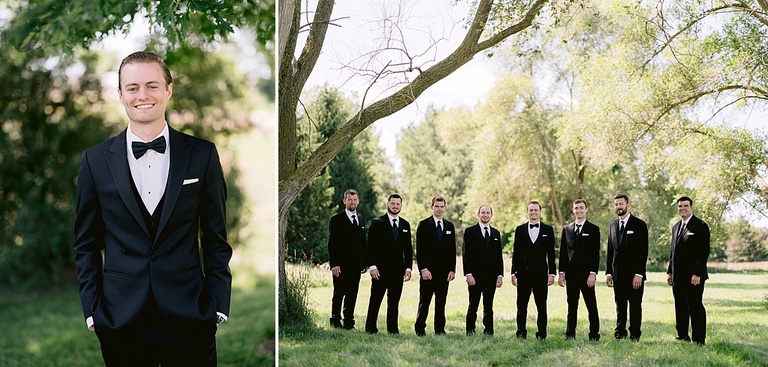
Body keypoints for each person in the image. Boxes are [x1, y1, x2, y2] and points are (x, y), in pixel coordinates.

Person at [73, 51, 232, 366]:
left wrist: (216, 305)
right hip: (120, 317)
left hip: (190, 314)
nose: (142, 95)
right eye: (132, 88)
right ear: (120, 95)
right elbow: (86, 243)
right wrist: (93, 310)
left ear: (169, 90)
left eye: (152, 85)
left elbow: (216, 237)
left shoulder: (202, 155)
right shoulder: (95, 161)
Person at [364, 194, 413, 334]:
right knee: (375, 300)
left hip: (398, 271)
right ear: (388, 204)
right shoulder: (377, 222)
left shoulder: (405, 224)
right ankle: (370, 328)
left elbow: (407, 248)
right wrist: (372, 266)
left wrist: (408, 268)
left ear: (401, 206)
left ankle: (393, 330)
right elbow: (371, 246)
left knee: (394, 302)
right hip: (380, 270)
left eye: (398, 204)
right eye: (393, 203)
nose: (395, 206)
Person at [667, 196, 710, 345]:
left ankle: (699, 339)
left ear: (691, 207)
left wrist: (697, 273)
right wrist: (669, 271)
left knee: (695, 306)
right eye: (680, 206)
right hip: (677, 276)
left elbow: (703, 252)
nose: (682, 208)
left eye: (685, 206)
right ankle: (682, 335)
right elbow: (673, 251)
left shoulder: (700, 226)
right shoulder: (676, 227)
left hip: (694, 276)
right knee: (680, 306)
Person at [511, 200, 556, 340]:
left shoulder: (548, 230)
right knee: (521, 306)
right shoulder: (520, 230)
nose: (533, 212)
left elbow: (551, 254)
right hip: (523, 275)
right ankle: (520, 333)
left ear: (540, 212)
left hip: (541, 274)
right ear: (527, 212)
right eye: (531, 210)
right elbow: (516, 253)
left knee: (541, 307)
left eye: (536, 210)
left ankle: (541, 334)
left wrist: (552, 273)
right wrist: (513, 273)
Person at [606, 193, 649, 341]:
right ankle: (620, 332)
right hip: (618, 274)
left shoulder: (639, 225)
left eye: (621, 204)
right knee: (620, 305)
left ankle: (635, 334)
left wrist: (639, 273)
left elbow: (643, 252)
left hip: (634, 275)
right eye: (616, 204)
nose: (618, 207)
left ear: (628, 205)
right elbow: (610, 251)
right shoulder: (612, 225)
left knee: (635, 305)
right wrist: (608, 273)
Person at [558, 199, 600, 341]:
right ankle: (570, 334)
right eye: (576, 208)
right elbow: (563, 253)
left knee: (591, 306)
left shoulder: (593, 229)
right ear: (573, 210)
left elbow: (595, 254)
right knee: (572, 306)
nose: (579, 210)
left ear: (586, 209)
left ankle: (594, 335)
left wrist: (593, 274)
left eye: (581, 208)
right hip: (571, 276)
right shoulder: (567, 229)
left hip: (587, 275)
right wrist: (561, 273)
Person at [414, 196, 457, 336]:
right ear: (432, 207)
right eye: (436, 206)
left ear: (445, 208)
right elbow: (420, 249)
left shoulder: (450, 226)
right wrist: (423, 269)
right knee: (424, 302)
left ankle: (439, 329)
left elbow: (452, 250)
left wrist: (452, 269)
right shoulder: (424, 224)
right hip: (428, 272)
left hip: (444, 273)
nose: (439, 209)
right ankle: (420, 328)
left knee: (441, 303)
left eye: (441, 206)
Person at [327, 188, 367, 330]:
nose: (352, 202)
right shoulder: (336, 220)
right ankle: (335, 321)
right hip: (341, 265)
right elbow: (332, 244)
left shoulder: (360, 220)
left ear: (358, 201)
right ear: (344, 201)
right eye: (349, 199)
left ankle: (349, 323)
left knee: (352, 294)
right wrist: (334, 264)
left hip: (356, 266)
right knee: (339, 294)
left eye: (355, 199)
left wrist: (364, 263)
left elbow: (363, 243)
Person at [462, 205, 503, 335]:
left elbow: (498, 256)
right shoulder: (470, 231)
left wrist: (500, 275)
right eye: (483, 212)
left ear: (491, 215)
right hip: (475, 276)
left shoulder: (496, 233)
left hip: (491, 276)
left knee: (488, 306)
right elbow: (466, 254)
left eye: (488, 213)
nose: (485, 215)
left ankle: (489, 331)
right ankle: (470, 330)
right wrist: (468, 274)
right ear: (478, 214)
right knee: (473, 305)